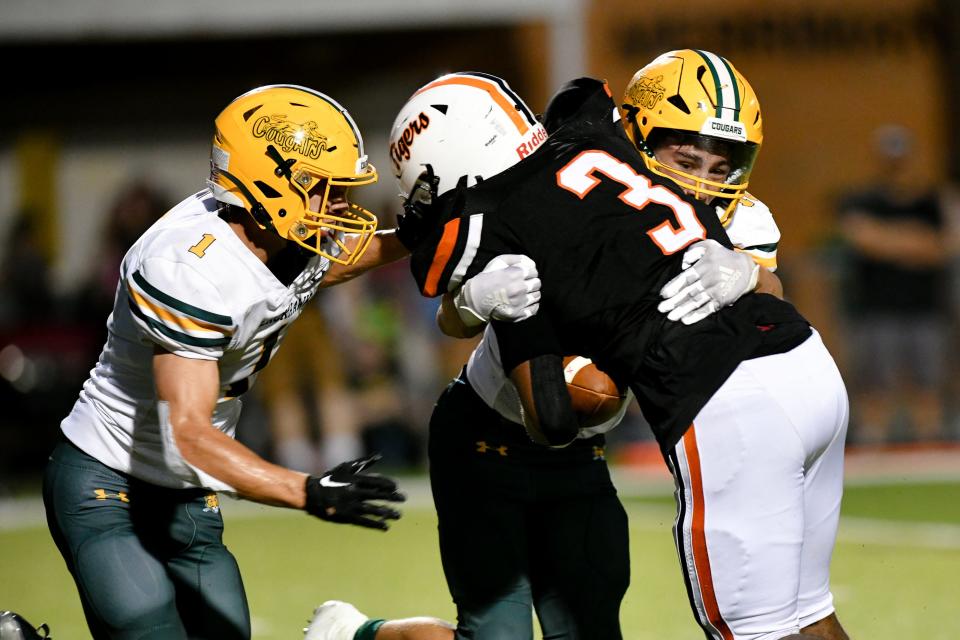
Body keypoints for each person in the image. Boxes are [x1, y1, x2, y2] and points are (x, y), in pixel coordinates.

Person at [309, 54, 841, 640]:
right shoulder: (549, 182)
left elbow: (767, 297)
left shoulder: (743, 220)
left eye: (723, 165)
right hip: (488, 432)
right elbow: (456, 317)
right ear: (633, 133)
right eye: (686, 160)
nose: (705, 182)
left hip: (581, 452)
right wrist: (470, 301)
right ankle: (356, 635)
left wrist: (745, 271)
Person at [41, 84, 407, 640]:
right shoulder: (186, 267)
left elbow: (321, 270)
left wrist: (418, 234)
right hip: (108, 482)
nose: (339, 204)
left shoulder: (273, 234)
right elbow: (189, 432)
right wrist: (305, 490)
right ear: (272, 184)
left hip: (186, 491)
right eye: (325, 188)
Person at [837, 124, 951, 443]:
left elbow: (940, 247)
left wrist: (886, 238)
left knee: (928, 382)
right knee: (875, 382)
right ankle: (875, 444)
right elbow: (861, 238)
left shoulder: (929, 201)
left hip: (924, 307)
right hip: (877, 308)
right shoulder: (862, 199)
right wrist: (914, 240)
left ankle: (929, 443)